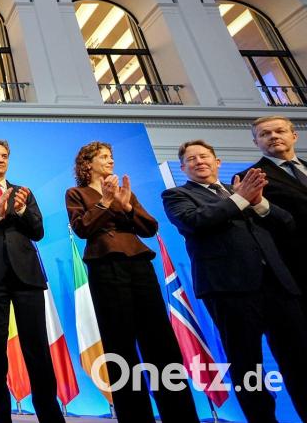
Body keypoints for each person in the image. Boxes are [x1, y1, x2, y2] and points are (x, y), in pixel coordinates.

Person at [163, 139, 307, 422]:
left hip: (278, 285)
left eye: (204, 156)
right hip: (229, 289)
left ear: (217, 162)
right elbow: (197, 221)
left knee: (300, 360)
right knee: (247, 365)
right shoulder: (176, 195)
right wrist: (240, 199)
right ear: (183, 168)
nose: (199, 161)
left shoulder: (245, 190)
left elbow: (286, 223)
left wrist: (259, 202)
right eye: (191, 159)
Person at [65, 141, 198, 423]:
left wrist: (126, 207)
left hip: (139, 266)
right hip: (105, 269)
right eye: (103, 157)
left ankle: (180, 414)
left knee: (160, 344)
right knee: (120, 346)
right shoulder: (76, 193)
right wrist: (104, 202)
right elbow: (82, 228)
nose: (110, 161)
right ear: (88, 164)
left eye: (111, 156)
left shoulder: (126, 191)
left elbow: (150, 228)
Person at [0, 139, 64, 423]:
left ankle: (50, 416)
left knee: (37, 348)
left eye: (4, 155)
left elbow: (38, 231)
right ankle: (1, 418)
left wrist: (18, 211)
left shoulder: (23, 192)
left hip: (26, 276)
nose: (0, 159)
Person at [235, 116, 307, 314]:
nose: (273, 136)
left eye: (279, 131)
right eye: (265, 134)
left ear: (294, 135)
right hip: (296, 265)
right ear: (256, 142)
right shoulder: (249, 178)